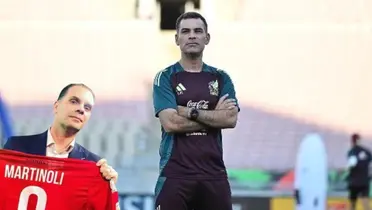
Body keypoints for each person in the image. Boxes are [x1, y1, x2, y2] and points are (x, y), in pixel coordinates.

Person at [152, 12, 239, 210]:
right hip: (175, 174)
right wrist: (214, 115)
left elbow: (230, 119)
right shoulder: (165, 77)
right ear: (177, 39)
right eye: (186, 31)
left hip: (214, 175)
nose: (192, 36)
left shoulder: (221, 77)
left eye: (198, 31)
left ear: (207, 38)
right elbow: (171, 123)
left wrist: (189, 111)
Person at [3, 83, 118, 183]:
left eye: (87, 108)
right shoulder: (16, 147)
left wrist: (109, 186)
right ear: (56, 106)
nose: (81, 110)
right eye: (74, 101)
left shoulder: (93, 165)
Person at [347, 133, 371, 210]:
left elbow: (351, 166)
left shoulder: (351, 152)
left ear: (352, 141)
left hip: (354, 182)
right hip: (364, 181)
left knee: (352, 205)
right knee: (365, 203)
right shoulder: (367, 152)